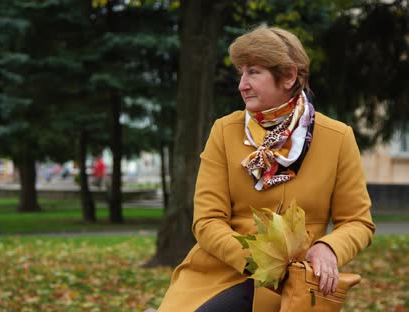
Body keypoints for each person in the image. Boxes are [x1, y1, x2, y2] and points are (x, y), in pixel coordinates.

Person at [157, 26, 375, 311]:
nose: (242, 85)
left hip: (298, 287)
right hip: (220, 275)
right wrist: (260, 261)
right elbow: (207, 221)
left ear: (288, 76)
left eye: (253, 72)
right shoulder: (224, 131)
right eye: (241, 72)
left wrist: (329, 247)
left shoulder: (337, 137)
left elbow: (358, 222)